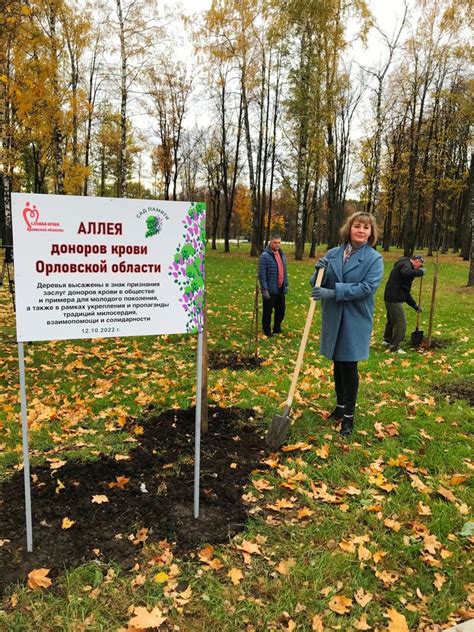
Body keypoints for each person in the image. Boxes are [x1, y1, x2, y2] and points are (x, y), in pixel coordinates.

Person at [310, 212, 384, 436]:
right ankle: (340, 407)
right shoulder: (333, 253)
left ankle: (349, 418)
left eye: (366, 228)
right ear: (349, 228)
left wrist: (333, 293)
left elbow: (367, 288)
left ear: (371, 233)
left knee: (349, 365)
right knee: (337, 362)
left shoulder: (373, 259)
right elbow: (317, 285)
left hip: (355, 318)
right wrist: (317, 271)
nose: (361, 230)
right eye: (357, 226)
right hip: (334, 316)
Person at [383, 255, 425, 354]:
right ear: (417, 261)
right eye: (420, 265)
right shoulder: (405, 264)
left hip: (391, 296)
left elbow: (405, 292)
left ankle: (387, 339)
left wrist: (414, 305)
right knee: (401, 322)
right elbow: (406, 273)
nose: (419, 268)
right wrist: (420, 272)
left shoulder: (403, 265)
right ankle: (394, 347)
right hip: (394, 298)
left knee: (392, 320)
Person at [259, 234, 289, 337]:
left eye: (279, 243)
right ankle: (266, 331)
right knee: (268, 312)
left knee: (281, 310)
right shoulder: (265, 256)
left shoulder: (281, 254)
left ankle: (277, 328)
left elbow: (284, 271)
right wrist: (264, 289)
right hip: (270, 289)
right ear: (270, 242)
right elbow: (262, 274)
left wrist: (286, 284)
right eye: (275, 242)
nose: (277, 245)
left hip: (280, 288)